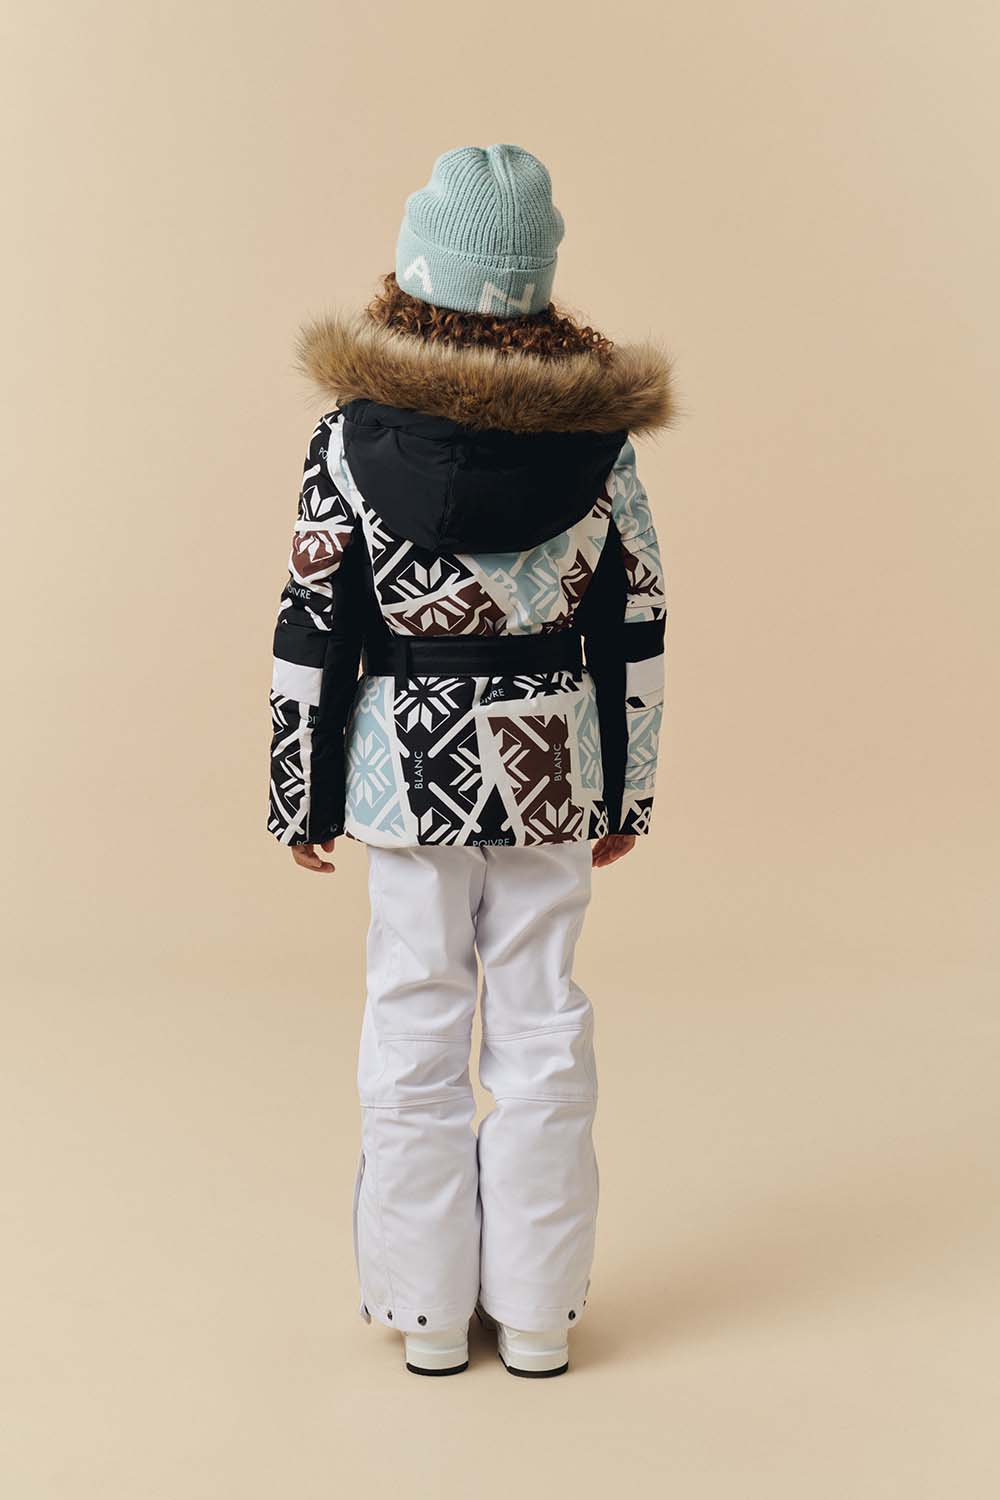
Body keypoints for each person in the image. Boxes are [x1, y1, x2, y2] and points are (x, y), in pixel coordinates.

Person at [267, 144, 672, 1377]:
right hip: (553, 764)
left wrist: (300, 791)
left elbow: (313, 623)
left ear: (413, 275)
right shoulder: (601, 446)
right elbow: (636, 620)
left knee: (413, 1013)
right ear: (538, 287)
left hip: (404, 768)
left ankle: (426, 1312)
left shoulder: (348, 440)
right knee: (543, 1020)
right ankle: (540, 1315)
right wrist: (628, 786)